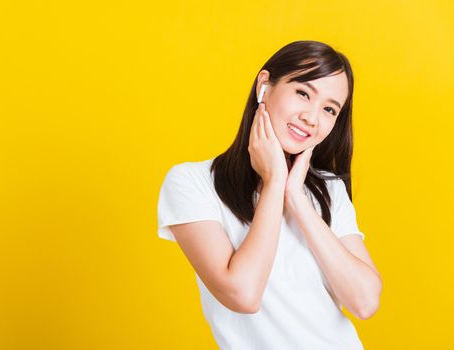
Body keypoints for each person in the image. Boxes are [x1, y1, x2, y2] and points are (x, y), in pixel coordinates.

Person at [157, 40, 382, 350]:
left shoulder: (328, 189)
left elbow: (365, 302)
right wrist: (274, 182)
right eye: (303, 93)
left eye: (329, 109)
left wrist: (297, 198)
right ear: (264, 85)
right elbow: (243, 294)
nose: (312, 117)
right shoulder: (192, 183)